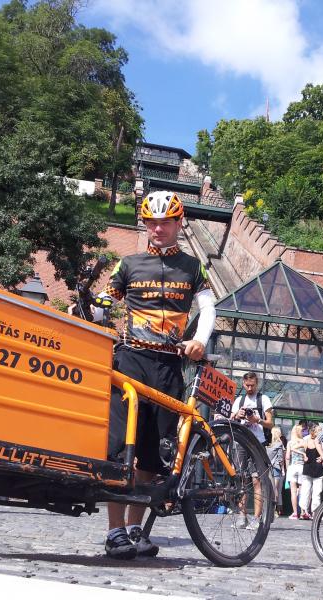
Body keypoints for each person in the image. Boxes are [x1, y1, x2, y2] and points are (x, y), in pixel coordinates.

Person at [101, 190, 216, 560]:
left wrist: (199, 340)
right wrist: (90, 308)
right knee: (120, 447)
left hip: (168, 366)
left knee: (153, 452)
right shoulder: (128, 264)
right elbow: (106, 300)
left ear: (179, 223)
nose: (158, 228)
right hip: (131, 360)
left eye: (165, 221)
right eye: (151, 222)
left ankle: (135, 529)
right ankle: (114, 532)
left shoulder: (193, 267)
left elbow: (208, 308)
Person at [230, 372, 273, 529]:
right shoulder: (239, 400)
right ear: (243, 384)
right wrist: (237, 414)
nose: (249, 388)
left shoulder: (264, 399)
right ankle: (242, 516)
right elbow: (231, 419)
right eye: (247, 385)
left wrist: (257, 420)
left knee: (257, 480)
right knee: (241, 480)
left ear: (257, 384)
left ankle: (256, 518)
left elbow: (271, 423)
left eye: (252, 385)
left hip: (257, 442)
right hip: (240, 442)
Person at [299, 423, 323, 519]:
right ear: (314, 432)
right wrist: (322, 457)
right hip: (317, 468)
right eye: (319, 431)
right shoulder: (320, 442)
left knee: (306, 491)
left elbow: (293, 446)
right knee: (315, 492)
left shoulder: (306, 440)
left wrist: (304, 455)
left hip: (308, 468)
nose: (321, 432)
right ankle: (313, 512)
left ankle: (304, 511)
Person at [285, 424, 306, 519]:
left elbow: (287, 457)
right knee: (302, 491)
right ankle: (302, 512)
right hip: (302, 467)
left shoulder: (290, 443)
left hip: (292, 467)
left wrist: (287, 469)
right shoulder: (304, 441)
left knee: (293, 492)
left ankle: (295, 513)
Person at [266, 427, 285, 516]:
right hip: (276, 469)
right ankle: (273, 510)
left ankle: (268, 509)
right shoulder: (279, 444)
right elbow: (280, 459)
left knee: (269, 489)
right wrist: (282, 469)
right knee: (275, 490)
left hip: (268, 469)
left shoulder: (268, 446)